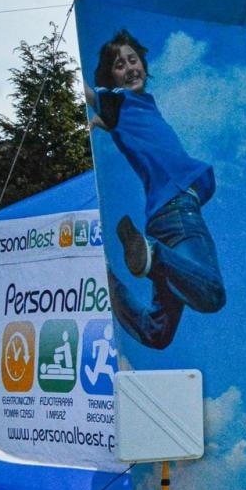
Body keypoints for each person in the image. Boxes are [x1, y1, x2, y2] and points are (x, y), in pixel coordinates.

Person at [85, 29, 226, 350]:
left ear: (145, 66)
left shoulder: (136, 108)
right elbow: (95, 97)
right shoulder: (122, 101)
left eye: (133, 60)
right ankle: (152, 254)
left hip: (161, 217)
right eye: (119, 66)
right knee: (212, 294)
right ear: (112, 79)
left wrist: (105, 124)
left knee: (156, 333)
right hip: (178, 210)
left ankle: (108, 282)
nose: (130, 68)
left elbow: (124, 127)